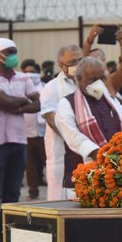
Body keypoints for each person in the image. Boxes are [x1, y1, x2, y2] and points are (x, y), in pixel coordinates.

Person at [0, 38, 40, 242]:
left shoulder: (23, 77)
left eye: (14, 51)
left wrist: (18, 106)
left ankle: (10, 238)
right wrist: (23, 101)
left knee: (13, 194)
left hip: (18, 141)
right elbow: (3, 101)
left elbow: (38, 104)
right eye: (9, 52)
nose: (13, 55)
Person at [56, 57, 122, 196]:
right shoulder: (67, 103)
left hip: (116, 176)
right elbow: (73, 137)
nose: (99, 83)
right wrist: (102, 156)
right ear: (80, 78)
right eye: (93, 79)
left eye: (102, 78)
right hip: (83, 177)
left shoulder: (112, 101)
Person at [40, 45, 82, 200]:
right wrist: (76, 139)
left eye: (80, 60)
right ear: (61, 65)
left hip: (86, 151)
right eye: (73, 62)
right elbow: (51, 118)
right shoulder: (51, 87)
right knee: (59, 200)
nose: (78, 65)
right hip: (63, 152)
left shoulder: (89, 84)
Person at [21, 59, 47, 200]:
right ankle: (33, 191)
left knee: (47, 162)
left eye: (32, 72)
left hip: (44, 132)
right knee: (30, 164)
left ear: (38, 73)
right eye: (26, 72)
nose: (29, 75)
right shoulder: (21, 89)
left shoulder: (45, 88)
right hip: (26, 132)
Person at [83, 24, 122, 96]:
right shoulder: (84, 81)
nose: (97, 60)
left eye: (100, 56)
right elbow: (82, 62)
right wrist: (89, 40)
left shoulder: (111, 81)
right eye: (94, 58)